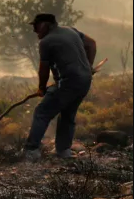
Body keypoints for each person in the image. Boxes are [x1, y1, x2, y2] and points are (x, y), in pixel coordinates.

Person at [24, 13, 97, 160]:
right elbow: (92, 44)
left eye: (37, 26)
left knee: (42, 112)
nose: (35, 31)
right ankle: (63, 151)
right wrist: (89, 65)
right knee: (68, 115)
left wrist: (41, 88)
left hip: (68, 83)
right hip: (84, 81)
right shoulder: (71, 30)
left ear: (47, 24)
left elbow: (43, 69)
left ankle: (31, 151)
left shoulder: (46, 41)